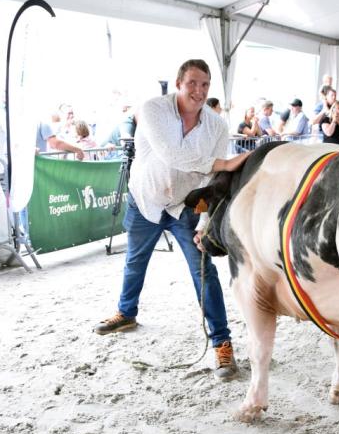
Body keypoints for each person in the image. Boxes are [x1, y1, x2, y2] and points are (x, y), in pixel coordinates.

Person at [92, 59, 252, 379]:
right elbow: (172, 155)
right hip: (146, 199)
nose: (199, 90)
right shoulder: (153, 109)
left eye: (205, 84)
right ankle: (126, 313)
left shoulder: (217, 126)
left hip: (186, 204)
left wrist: (206, 221)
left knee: (204, 271)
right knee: (135, 260)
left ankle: (222, 343)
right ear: (179, 82)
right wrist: (225, 162)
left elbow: (213, 179)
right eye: (192, 82)